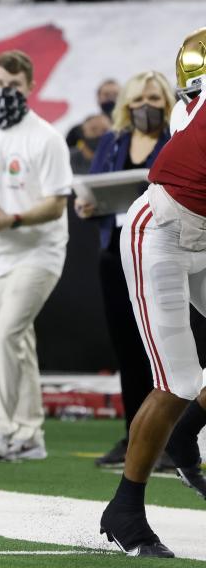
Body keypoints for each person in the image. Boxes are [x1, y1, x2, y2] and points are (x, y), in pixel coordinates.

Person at [99, 28, 206, 558]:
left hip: (201, 232)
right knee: (179, 379)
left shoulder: (193, 106)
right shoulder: (195, 110)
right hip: (159, 232)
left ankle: (186, 435)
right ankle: (125, 509)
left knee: (185, 388)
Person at [0, 50, 72, 461]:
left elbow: (57, 204)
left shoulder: (47, 138)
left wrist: (12, 219)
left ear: (31, 88)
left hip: (40, 251)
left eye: (15, 87)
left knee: (5, 333)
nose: (7, 92)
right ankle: (31, 436)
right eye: (1, 86)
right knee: (18, 342)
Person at [73, 71, 173, 467]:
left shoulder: (177, 138)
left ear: (166, 100)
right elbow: (94, 190)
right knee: (128, 350)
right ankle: (135, 436)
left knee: (162, 349)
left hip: (163, 251)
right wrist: (86, 206)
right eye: (136, 99)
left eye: (152, 98)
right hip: (116, 253)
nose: (143, 106)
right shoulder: (113, 142)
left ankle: (170, 440)